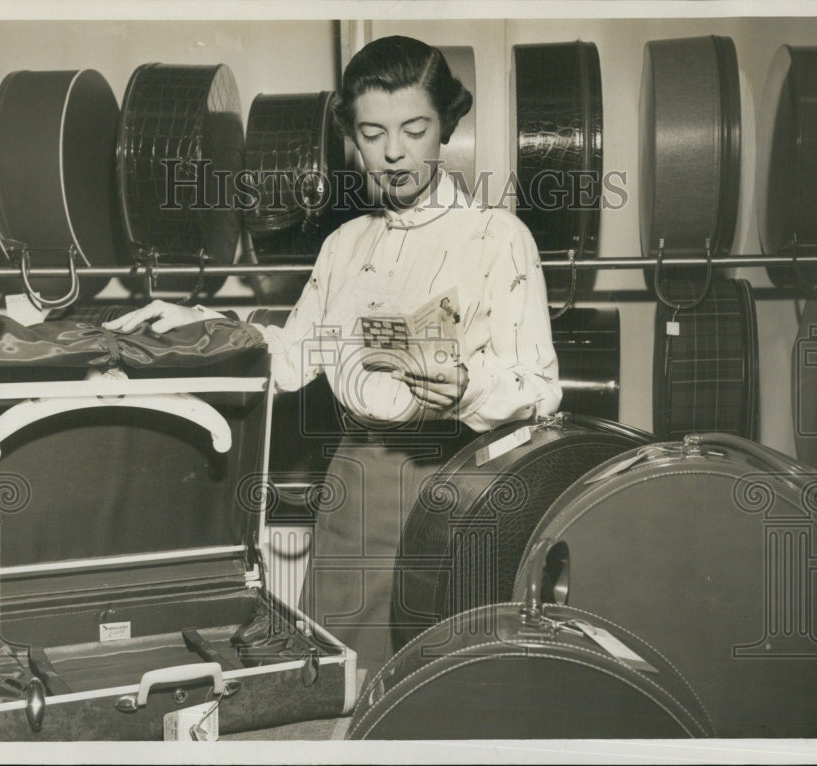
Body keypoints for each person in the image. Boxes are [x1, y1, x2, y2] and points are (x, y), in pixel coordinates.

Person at [103, 35, 562, 678]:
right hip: (356, 484)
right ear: (352, 138)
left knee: (442, 682)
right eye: (373, 134)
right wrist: (203, 323)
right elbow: (292, 359)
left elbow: (540, 387)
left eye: (415, 129)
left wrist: (467, 386)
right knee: (339, 679)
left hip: (458, 486)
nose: (394, 152)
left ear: (446, 126)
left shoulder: (498, 238)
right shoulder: (344, 245)